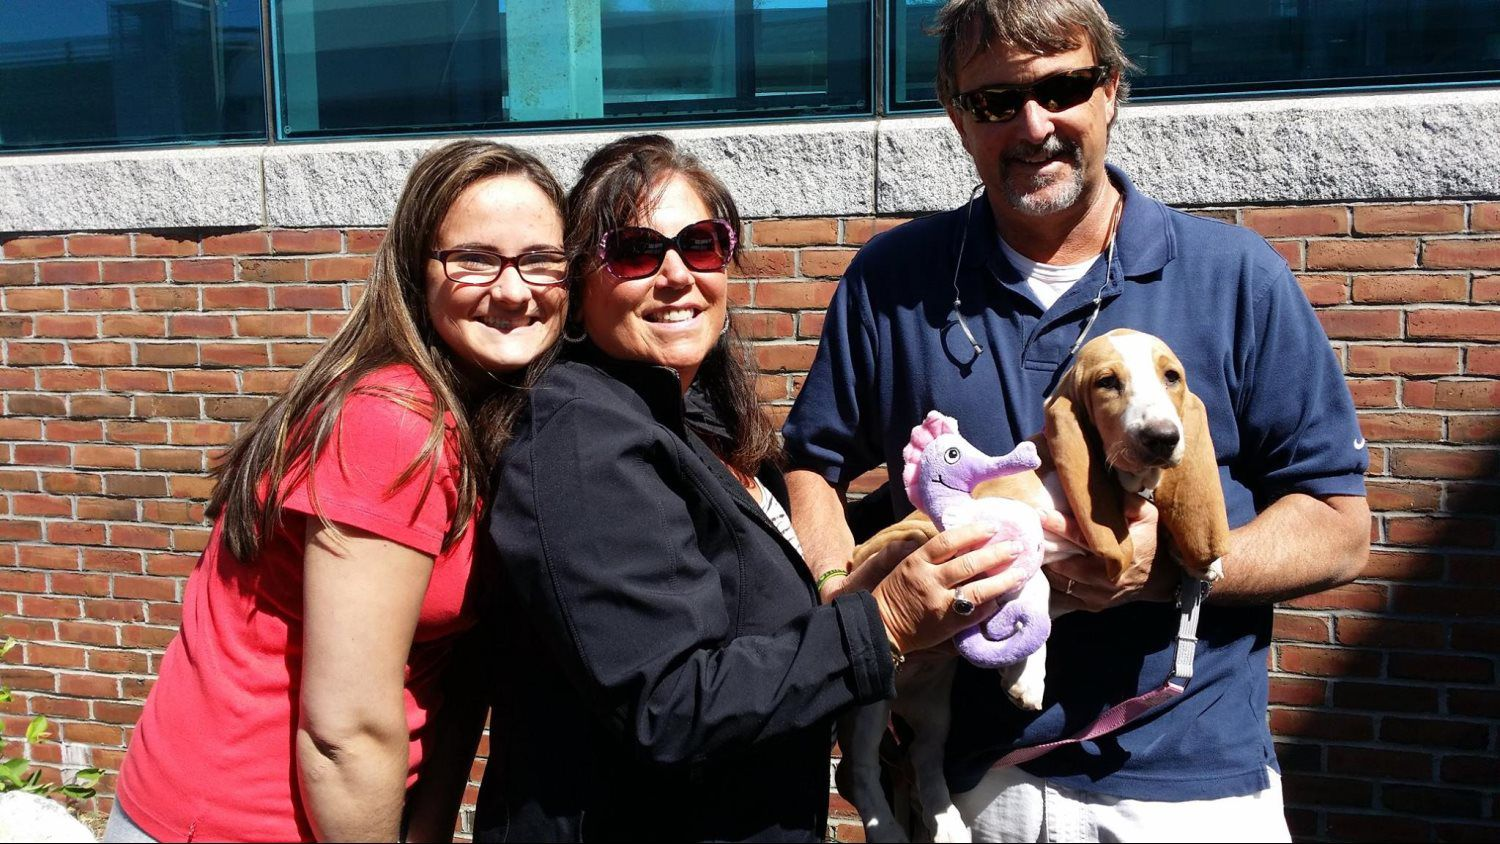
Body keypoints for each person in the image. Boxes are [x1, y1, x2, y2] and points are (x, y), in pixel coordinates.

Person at [782, 0, 1371, 840]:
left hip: (1189, 788)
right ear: (956, 116)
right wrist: (858, 624)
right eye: (994, 101)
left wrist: (1170, 569)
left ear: (1111, 91)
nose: (1034, 124)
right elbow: (812, 462)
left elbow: (1341, 527)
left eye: (1064, 87)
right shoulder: (891, 278)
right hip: (970, 791)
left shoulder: (1236, 275)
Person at [474, 133, 1034, 843]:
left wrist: (945, 515)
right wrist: (883, 624)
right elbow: (670, 704)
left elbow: (750, 582)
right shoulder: (580, 440)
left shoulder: (695, 421)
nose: (676, 274)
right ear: (580, 291)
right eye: (636, 251)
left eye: (702, 243)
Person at [106, 140, 571, 842]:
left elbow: (454, 669)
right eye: (474, 258)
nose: (513, 289)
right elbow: (344, 731)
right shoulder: (389, 422)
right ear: (417, 273)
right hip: (239, 822)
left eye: (541, 259)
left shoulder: (484, 410)